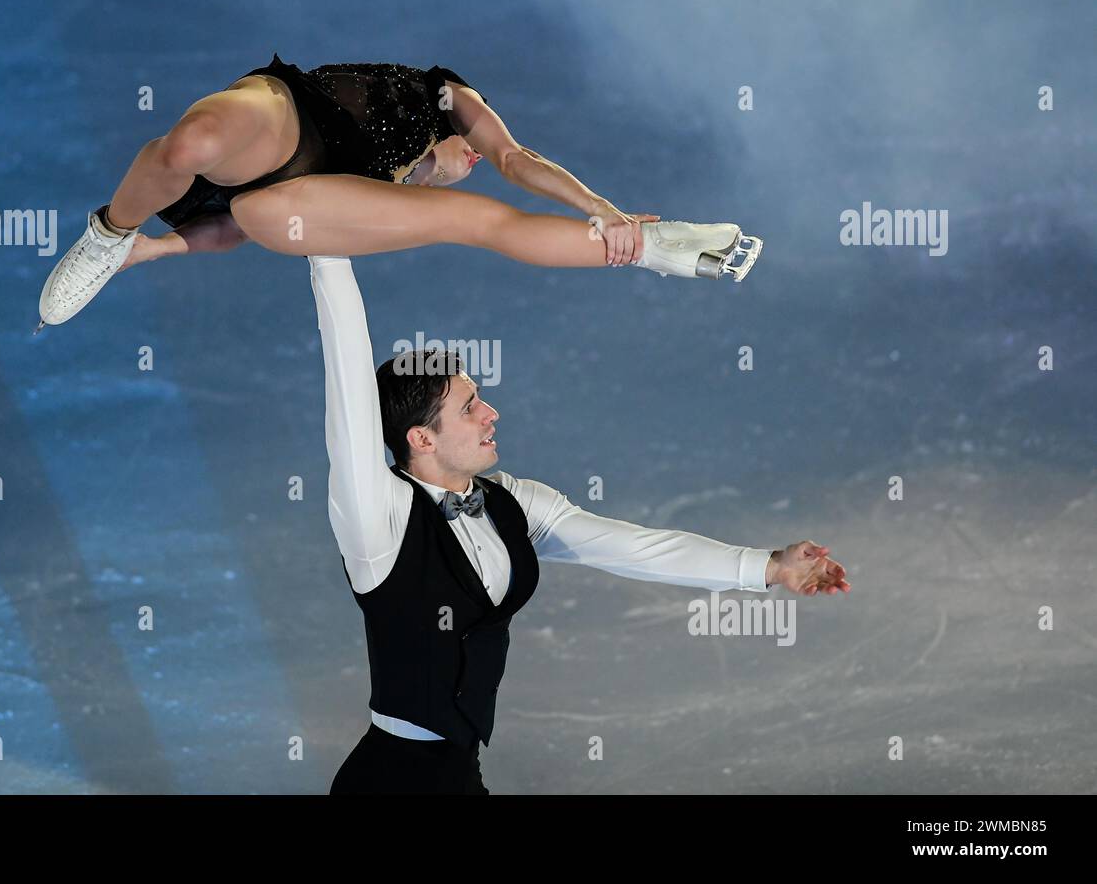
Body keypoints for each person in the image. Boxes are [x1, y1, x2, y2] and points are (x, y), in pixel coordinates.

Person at [307, 253, 848, 794]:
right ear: (421, 439)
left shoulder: (512, 503)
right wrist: (328, 253)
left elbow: (635, 548)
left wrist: (769, 567)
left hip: (457, 769)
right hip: (387, 782)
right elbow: (348, 390)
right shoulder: (379, 518)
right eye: (470, 407)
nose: (491, 413)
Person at [35, 54, 762, 332]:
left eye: (468, 157)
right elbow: (506, 147)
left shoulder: (395, 189)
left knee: (478, 224)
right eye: (463, 154)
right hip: (296, 119)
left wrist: (602, 210)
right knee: (188, 148)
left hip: (290, 195)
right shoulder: (446, 98)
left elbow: (512, 162)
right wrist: (133, 243)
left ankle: (653, 248)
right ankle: (104, 234)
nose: (470, 157)